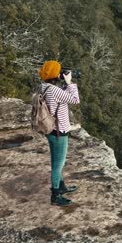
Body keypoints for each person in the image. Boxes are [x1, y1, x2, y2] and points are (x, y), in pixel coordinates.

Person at [39, 60, 80, 206]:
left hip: (50, 129)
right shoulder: (54, 90)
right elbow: (75, 100)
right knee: (58, 165)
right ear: (55, 74)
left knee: (56, 161)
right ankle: (55, 195)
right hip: (59, 131)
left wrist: (64, 85)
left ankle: (61, 186)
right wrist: (70, 83)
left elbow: (60, 97)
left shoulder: (44, 87)